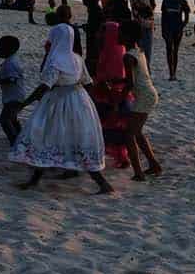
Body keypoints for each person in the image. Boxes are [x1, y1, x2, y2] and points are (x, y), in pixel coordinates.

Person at [12, 23, 114, 194]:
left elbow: (44, 87)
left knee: (45, 138)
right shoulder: (77, 58)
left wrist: (23, 104)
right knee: (78, 140)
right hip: (79, 100)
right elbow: (88, 82)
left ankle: (35, 180)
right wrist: (89, 104)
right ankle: (101, 183)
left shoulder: (56, 61)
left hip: (58, 102)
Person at [119, 22, 163, 181]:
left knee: (129, 134)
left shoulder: (128, 56)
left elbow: (130, 83)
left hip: (144, 96)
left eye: (121, 33)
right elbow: (135, 77)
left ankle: (138, 173)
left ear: (128, 36)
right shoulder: (139, 51)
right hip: (149, 93)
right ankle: (153, 164)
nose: (118, 36)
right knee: (136, 132)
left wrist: (119, 99)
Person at [92, 21, 134, 171]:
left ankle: (120, 156)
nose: (99, 35)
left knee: (110, 125)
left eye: (102, 32)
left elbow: (114, 78)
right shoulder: (114, 50)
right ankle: (119, 156)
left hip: (113, 96)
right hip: (113, 95)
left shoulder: (114, 53)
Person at [0, 35, 26, 145]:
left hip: (13, 97)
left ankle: (14, 141)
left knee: (4, 120)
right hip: (16, 95)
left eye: (2, 48)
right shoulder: (12, 60)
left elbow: (12, 79)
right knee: (12, 118)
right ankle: (21, 137)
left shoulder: (10, 63)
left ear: (10, 50)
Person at [160, 0, 189, 80]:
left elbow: (187, 17)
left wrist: (182, 26)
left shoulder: (183, 2)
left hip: (177, 29)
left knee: (175, 50)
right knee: (169, 49)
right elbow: (163, 16)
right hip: (167, 28)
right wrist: (163, 30)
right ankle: (171, 73)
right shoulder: (166, 0)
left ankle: (174, 73)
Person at [128, 0, 155, 65]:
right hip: (144, 25)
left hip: (140, 23)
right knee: (145, 54)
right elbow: (151, 7)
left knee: (142, 52)